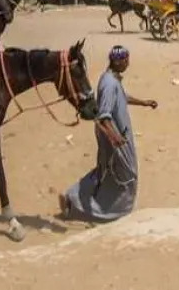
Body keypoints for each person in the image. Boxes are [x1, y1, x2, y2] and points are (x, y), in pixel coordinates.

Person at [59, 45, 156, 223]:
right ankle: (109, 212)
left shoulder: (110, 78)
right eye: (125, 59)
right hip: (113, 135)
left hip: (116, 134)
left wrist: (143, 102)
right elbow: (104, 116)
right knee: (127, 173)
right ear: (116, 61)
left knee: (105, 170)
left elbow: (122, 96)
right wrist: (115, 138)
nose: (128, 62)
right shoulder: (110, 83)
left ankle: (71, 196)